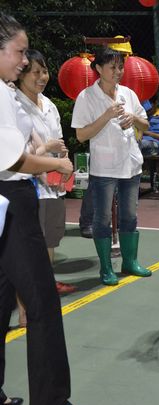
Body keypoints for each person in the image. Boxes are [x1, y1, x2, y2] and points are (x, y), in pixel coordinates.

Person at [0, 12, 90, 405]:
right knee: (42, 303)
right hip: (12, 200)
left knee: (2, 299)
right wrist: (57, 165)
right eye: (19, 52)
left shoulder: (6, 92)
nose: (25, 61)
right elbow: (14, 160)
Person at [71, 47, 151, 286]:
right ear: (98, 68)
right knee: (102, 218)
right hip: (104, 168)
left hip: (131, 164)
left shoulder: (128, 93)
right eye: (112, 67)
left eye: (120, 67)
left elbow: (145, 124)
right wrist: (106, 116)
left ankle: (130, 262)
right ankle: (106, 268)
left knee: (130, 216)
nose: (118, 72)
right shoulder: (86, 97)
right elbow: (81, 135)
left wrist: (134, 119)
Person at [15, 48, 76, 296]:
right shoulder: (14, 105)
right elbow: (19, 155)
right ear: (21, 74)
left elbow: (60, 144)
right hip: (28, 185)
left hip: (53, 185)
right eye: (36, 72)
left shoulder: (49, 105)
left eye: (45, 71)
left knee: (50, 237)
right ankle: (30, 292)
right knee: (30, 242)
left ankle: (47, 282)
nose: (42, 77)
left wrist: (65, 168)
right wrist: (48, 149)